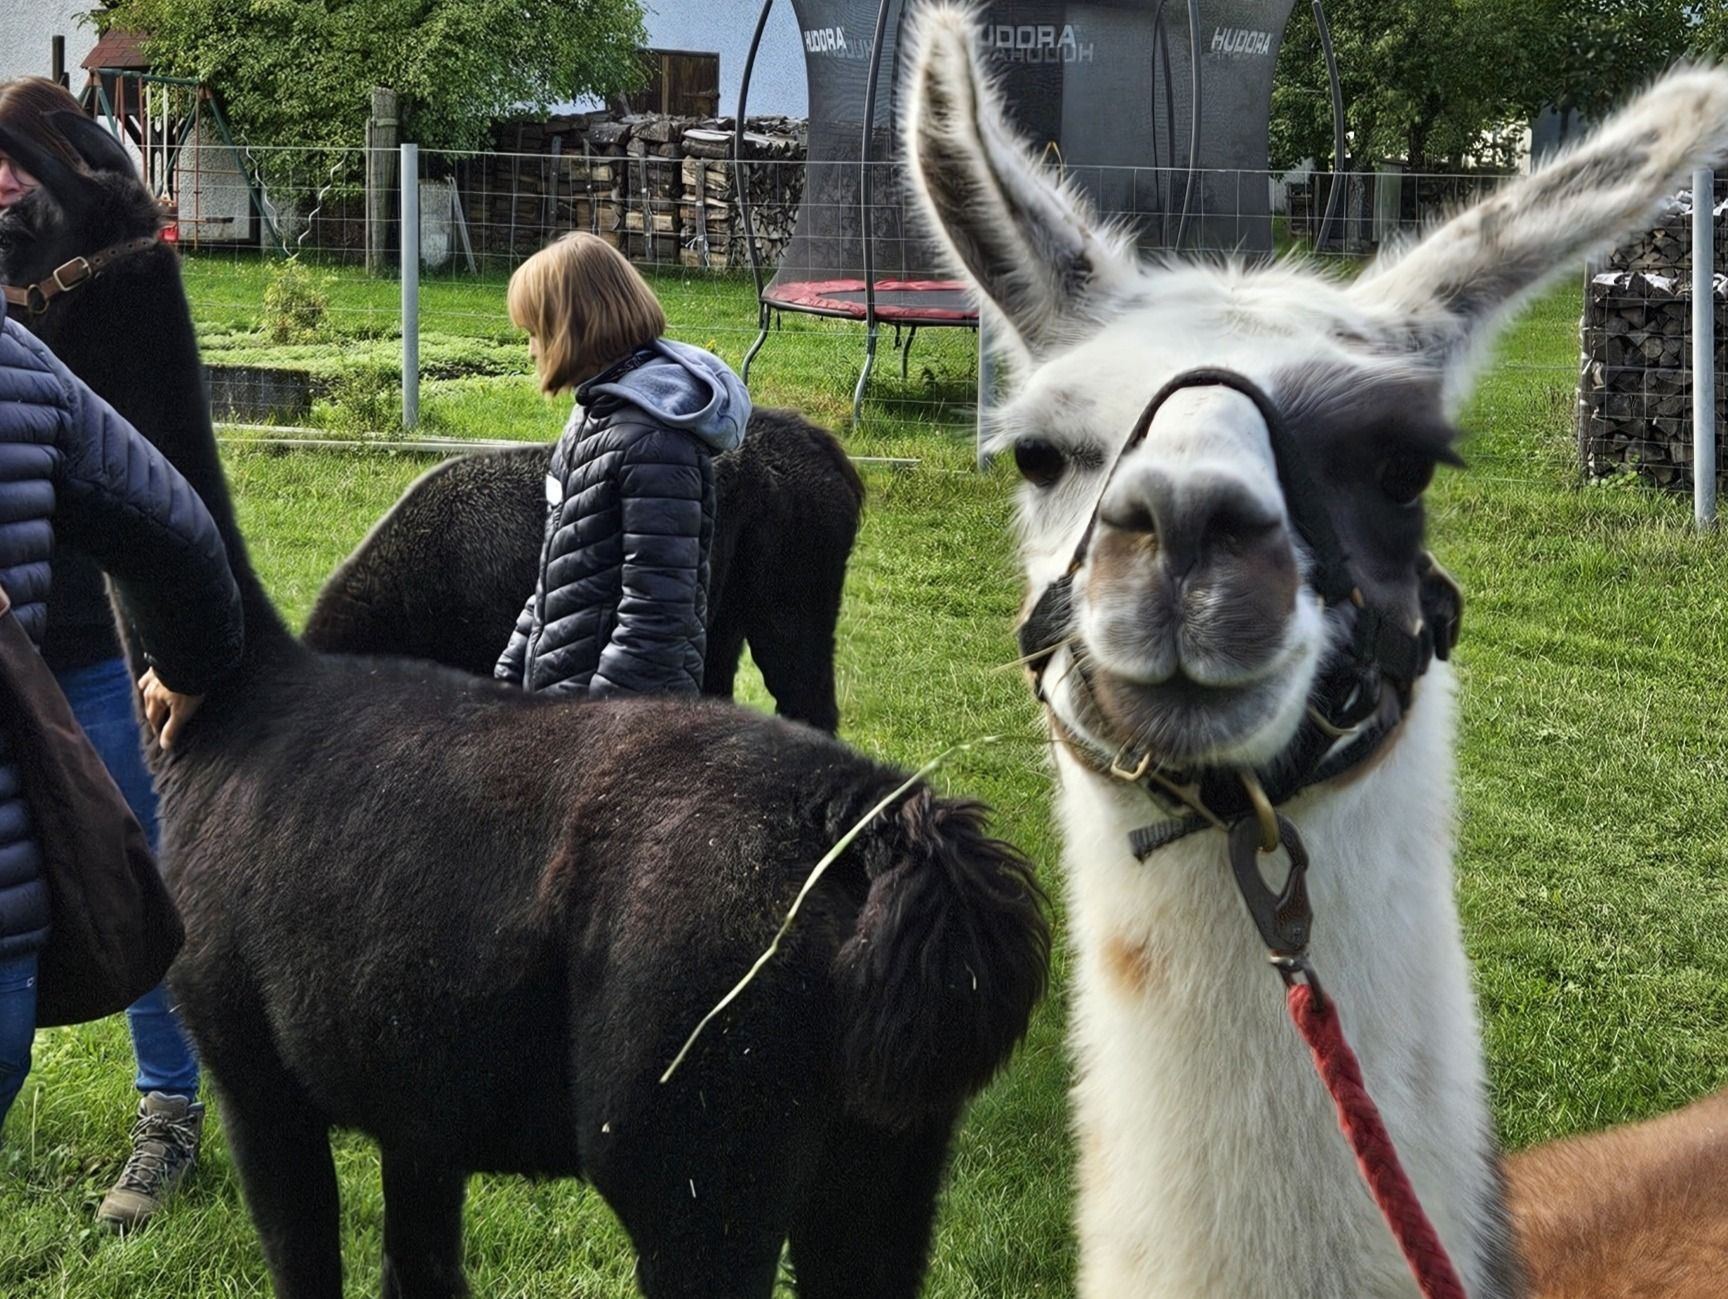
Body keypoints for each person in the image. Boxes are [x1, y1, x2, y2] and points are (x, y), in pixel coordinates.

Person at [0, 120, 240, 1241]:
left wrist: (176, 657)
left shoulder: (83, 288)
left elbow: (155, 495)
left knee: (136, 877)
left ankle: (167, 1110)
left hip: (84, 650)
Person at [496, 231, 751, 698]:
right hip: (569, 707)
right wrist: (511, 676)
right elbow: (559, 573)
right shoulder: (593, 417)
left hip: (617, 730)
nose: (532, 349)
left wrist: (600, 732)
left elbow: (657, 617)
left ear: (573, 326)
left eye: (536, 332)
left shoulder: (655, 443)